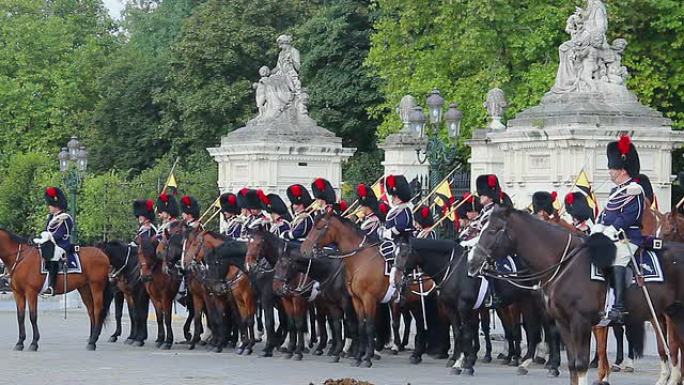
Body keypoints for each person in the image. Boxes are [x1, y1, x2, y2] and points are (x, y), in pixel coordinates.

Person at [594, 135, 644, 325]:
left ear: (622, 170)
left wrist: (610, 231)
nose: (609, 171)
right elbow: (605, 213)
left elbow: (629, 216)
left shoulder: (634, 190)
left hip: (627, 238)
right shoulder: (615, 191)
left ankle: (619, 307)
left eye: (611, 167)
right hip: (610, 235)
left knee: (618, 257)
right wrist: (598, 227)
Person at [35, 187, 73, 296]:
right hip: (49, 243)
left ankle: (51, 286)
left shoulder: (65, 218)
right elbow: (46, 230)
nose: (48, 207)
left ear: (56, 205)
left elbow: (61, 233)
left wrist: (49, 238)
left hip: (61, 244)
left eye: (50, 205)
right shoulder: (51, 217)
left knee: (54, 255)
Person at [378, 175, 414, 258]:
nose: (392, 199)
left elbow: (401, 226)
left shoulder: (404, 210)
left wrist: (386, 233)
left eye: (394, 196)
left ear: (400, 197)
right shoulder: (396, 210)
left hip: (402, 244)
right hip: (392, 243)